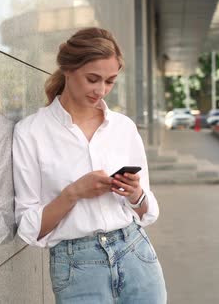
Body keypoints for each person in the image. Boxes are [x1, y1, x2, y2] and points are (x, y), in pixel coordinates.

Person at [13, 27, 166, 303]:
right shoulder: (31, 132)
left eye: (110, 81)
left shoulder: (123, 128)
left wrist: (134, 193)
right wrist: (73, 193)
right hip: (76, 267)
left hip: (136, 254)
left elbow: (147, 210)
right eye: (93, 79)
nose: (101, 91)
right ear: (68, 70)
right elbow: (28, 227)